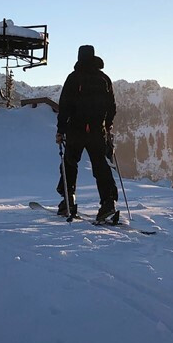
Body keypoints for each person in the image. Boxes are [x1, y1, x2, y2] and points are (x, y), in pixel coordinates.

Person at [55, 45, 119, 223]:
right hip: (97, 131)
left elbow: (65, 106)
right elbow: (112, 106)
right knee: (101, 166)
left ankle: (68, 200)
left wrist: (60, 130)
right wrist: (108, 125)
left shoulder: (73, 78)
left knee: (69, 163)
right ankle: (108, 202)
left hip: (76, 129)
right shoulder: (104, 79)